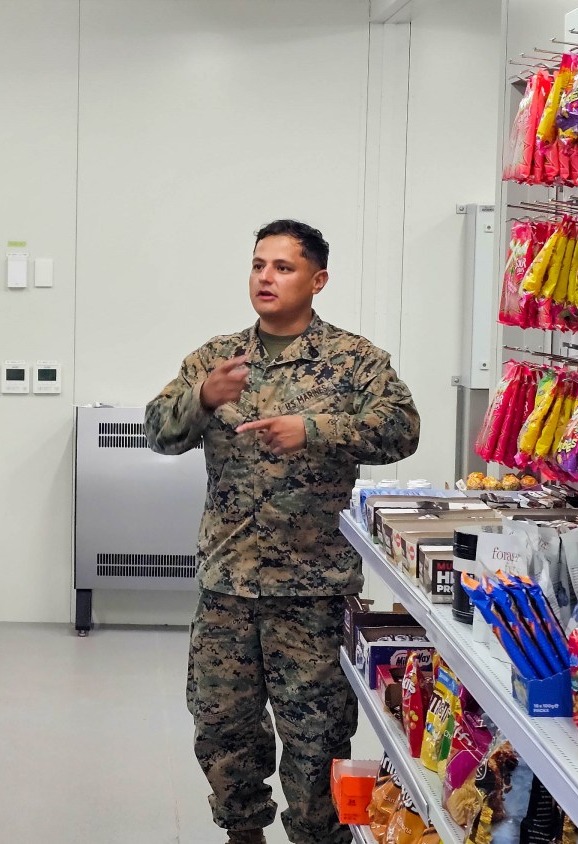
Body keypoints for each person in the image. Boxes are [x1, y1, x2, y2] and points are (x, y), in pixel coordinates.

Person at [145, 219, 420, 844]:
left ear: (317, 280)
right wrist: (202, 399)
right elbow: (158, 432)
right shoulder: (216, 358)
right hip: (228, 584)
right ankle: (243, 834)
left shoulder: (354, 360)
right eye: (258, 265)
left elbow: (402, 429)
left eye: (283, 267)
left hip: (313, 589)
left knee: (316, 740)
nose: (265, 278)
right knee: (224, 730)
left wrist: (315, 429)